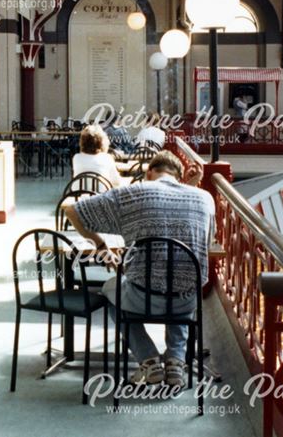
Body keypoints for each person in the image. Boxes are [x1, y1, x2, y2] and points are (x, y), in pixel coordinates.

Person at [65, 151, 212, 389]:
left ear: (148, 173)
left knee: (109, 291)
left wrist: (102, 246)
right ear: (179, 176)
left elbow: (71, 210)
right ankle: (176, 358)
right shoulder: (204, 198)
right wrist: (190, 186)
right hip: (186, 301)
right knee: (181, 279)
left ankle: (148, 359)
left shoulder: (132, 194)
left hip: (143, 297)